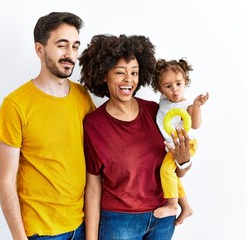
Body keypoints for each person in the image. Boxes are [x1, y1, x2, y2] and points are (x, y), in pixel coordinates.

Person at [0, 12, 95, 239]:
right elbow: (5, 181)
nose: (70, 55)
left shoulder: (82, 96)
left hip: (81, 225)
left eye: (75, 46)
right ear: (39, 50)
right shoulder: (15, 105)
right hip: (41, 232)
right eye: (62, 45)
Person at [79, 34, 192, 240]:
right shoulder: (93, 125)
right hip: (119, 223)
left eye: (134, 72)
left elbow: (176, 172)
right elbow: (93, 188)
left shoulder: (156, 112)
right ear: (104, 75)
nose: (128, 79)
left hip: (163, 219)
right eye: (120, 72)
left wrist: (184, 161)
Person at [151, 58, 209, 226]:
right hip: (171, 148)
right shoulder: (164, 101)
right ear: (160, 89)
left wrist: (197, 106)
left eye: (179, 84)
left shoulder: (187, 106)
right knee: (173, 177)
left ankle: (172, 205)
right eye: (168, 86)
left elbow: (196, 125)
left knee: (166, 172)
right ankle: (186, 208)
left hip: (184, 145)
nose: (174, 90)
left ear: (185, 82)